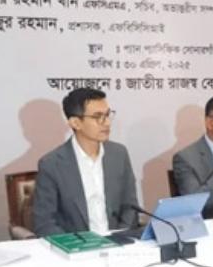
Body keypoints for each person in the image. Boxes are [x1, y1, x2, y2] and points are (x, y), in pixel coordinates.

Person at [32, 88, 139, 236]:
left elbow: (130, 208)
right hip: (77, 246)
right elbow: (45, 223)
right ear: (75, 123)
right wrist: (80, 245)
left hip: (119, 242)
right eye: (98, 117)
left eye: (107, 115)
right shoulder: (51, 164)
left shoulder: (119, 154)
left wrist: (121, 236)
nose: (107, 123)